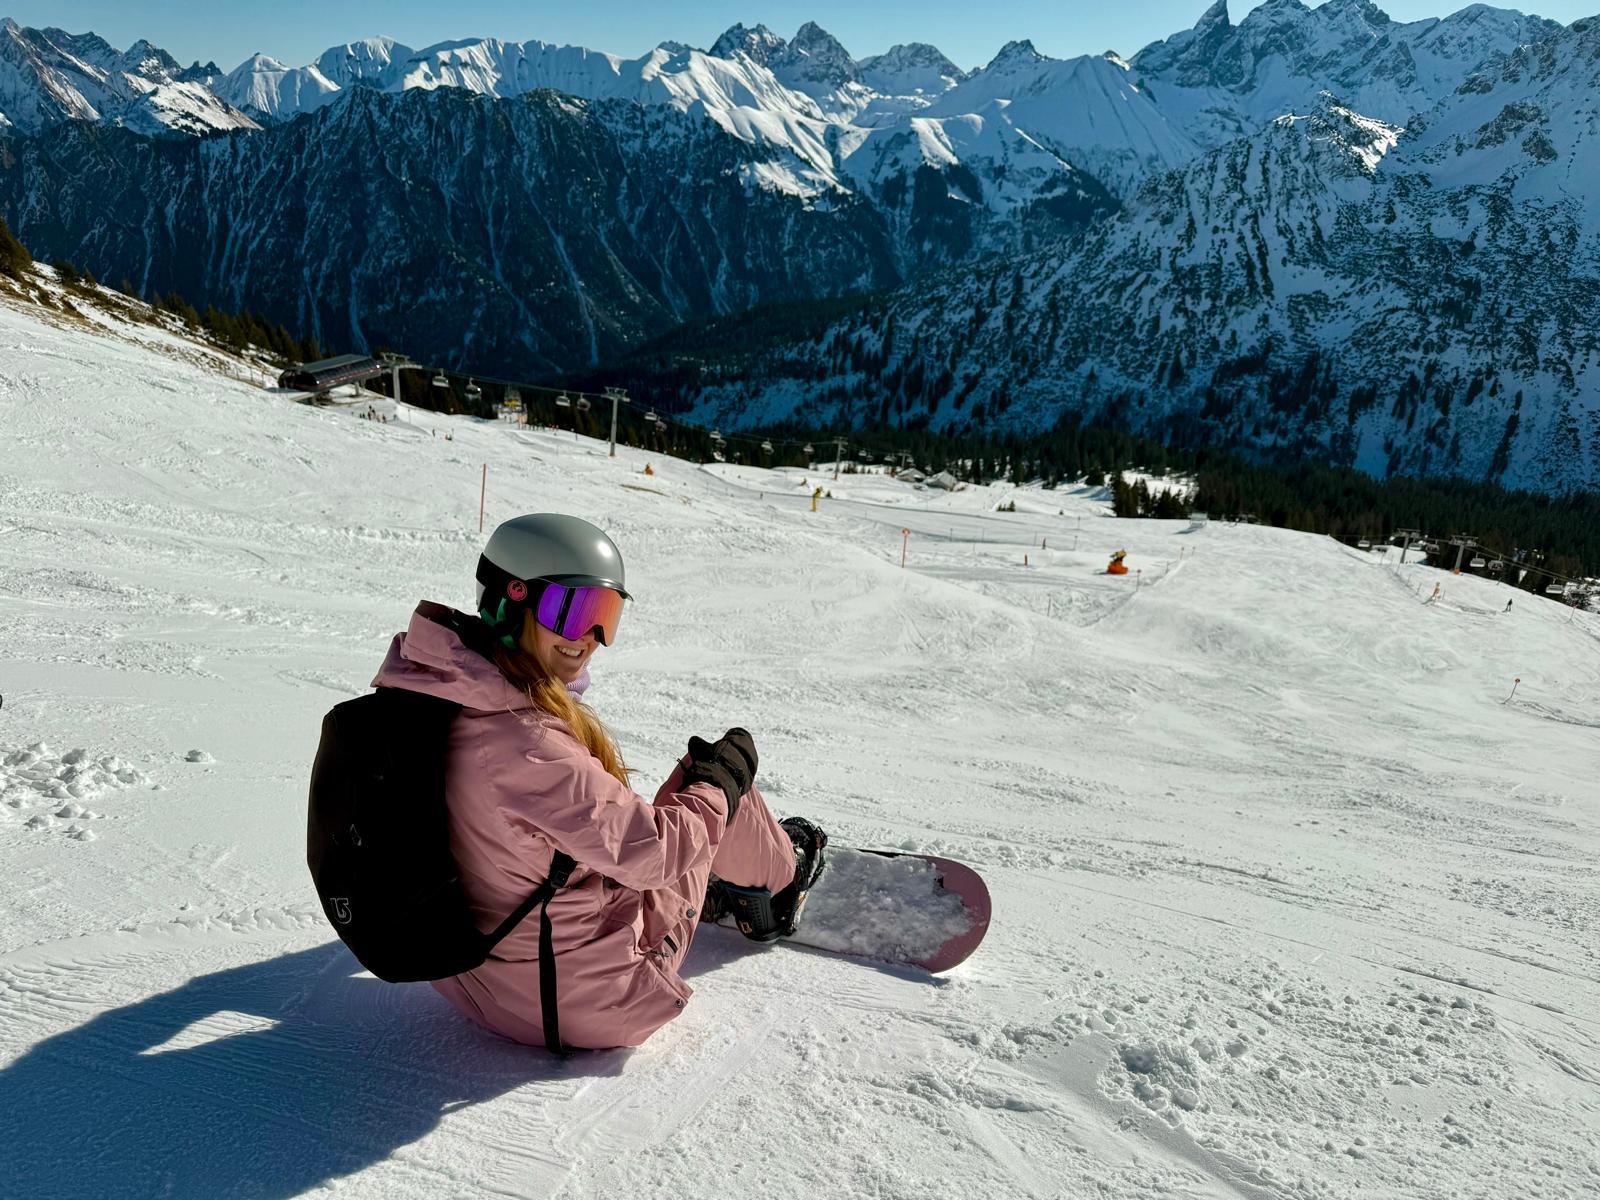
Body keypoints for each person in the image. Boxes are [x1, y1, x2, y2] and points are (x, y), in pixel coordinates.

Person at [370, 513, 826, 1050]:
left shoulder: (435, 694)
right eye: (574, 610)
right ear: (512, 598)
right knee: (708, 783)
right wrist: (719, 786)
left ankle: (726, 874)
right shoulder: (526, 744)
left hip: (476, 981)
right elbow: (654, 852)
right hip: (582, 1003)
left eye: (605, 616)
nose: (591, 639)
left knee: (668, 813)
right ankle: (778, 885)